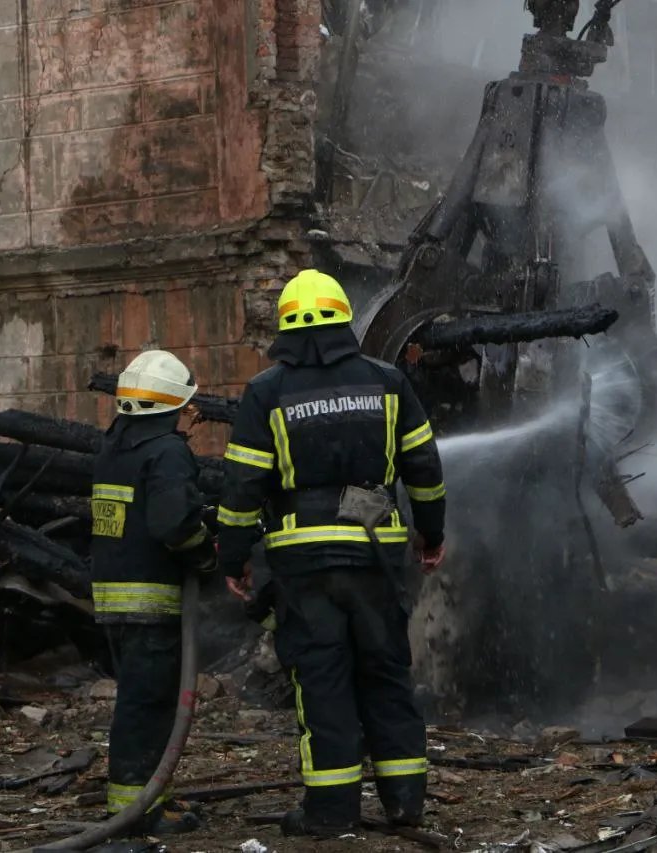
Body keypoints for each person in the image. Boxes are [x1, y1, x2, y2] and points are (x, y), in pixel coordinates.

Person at [217, 269, 447, 837]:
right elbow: (424, 468)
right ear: (346, 320)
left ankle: (330, 813)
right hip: (375, 558)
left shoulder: (267, 391)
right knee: (386, 674)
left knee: (323, 682)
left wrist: (234, 556)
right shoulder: (389, 382)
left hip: (305, 564)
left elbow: (243, 485)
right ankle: (404, 803)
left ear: (286, 327)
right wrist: (432, 534)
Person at [89, 350, 214, 834]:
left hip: (114, 599)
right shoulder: (166, 453)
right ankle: (134, 813)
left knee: (143, 702)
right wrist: (205, 553)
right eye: (186, 407)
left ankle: (150, 796)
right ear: (167, 407)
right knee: (147, 707)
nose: (190, 416)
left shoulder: (114, 447)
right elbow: (172, 524)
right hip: (152, 602)